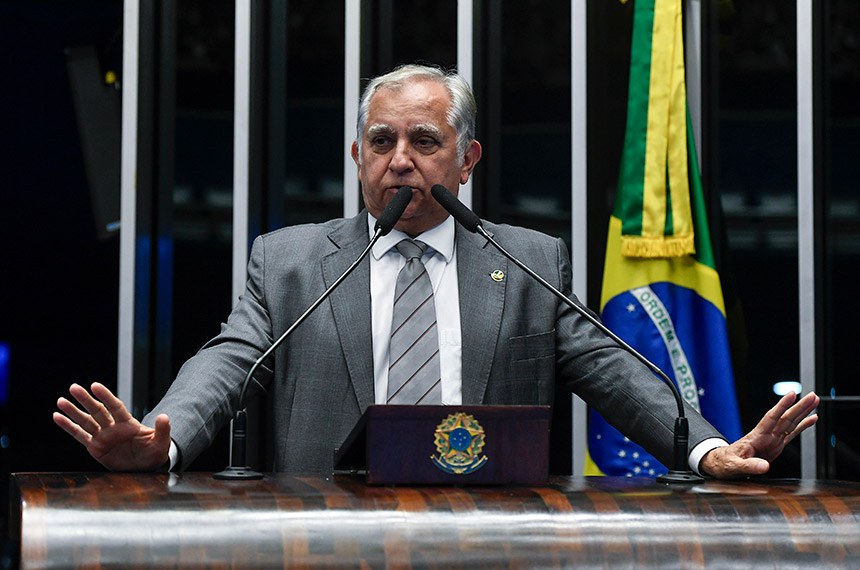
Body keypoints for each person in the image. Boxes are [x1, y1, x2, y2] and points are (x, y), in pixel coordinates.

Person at [54, 64, 819, 479]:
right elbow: (227, 362)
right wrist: (164, 437)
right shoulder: (289, 262)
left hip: (488, 534)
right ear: (356, 158)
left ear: (467, 160)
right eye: (380, 142)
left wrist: (708, 449)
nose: (400, 161)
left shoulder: (527, 262)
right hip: (321, 538)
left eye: (424, 140)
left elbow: (612, 369)